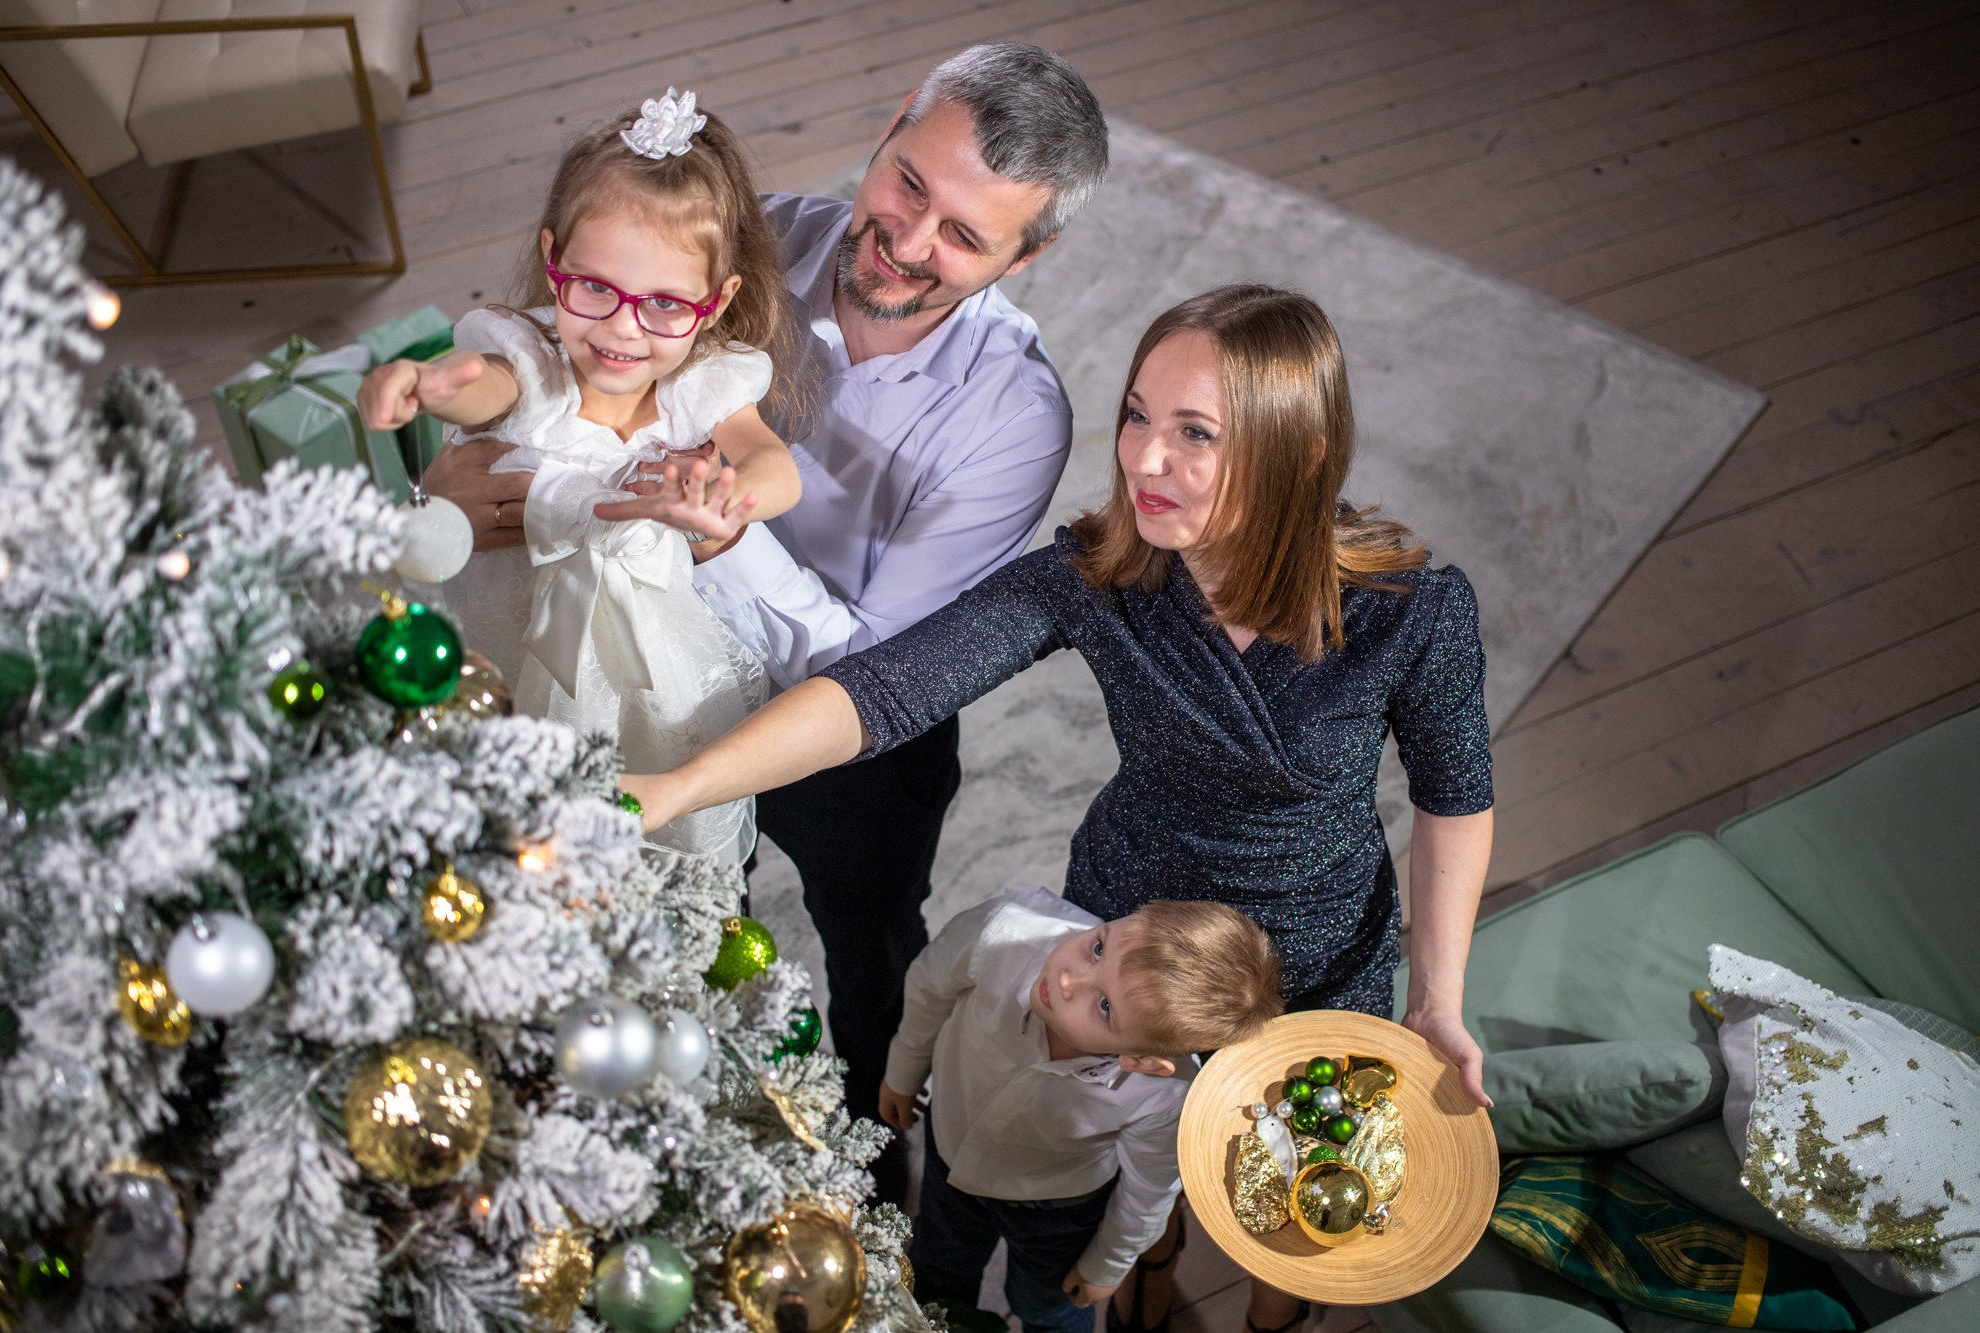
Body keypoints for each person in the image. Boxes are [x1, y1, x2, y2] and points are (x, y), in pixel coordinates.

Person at [619, 284, 1498, 1333]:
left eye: (1193, 434)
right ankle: (1150, 1293)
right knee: (1129, 1164)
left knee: (1297, 1216)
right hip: (1123, 937)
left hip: (1318, 961)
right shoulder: (1092, 578)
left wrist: (1435, 994)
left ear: (1298, 453)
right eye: (1134, 414)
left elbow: (1454, 798)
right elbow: (888, 690)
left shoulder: (1409, 611)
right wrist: (680, 784)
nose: (1142, 459)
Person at [419, 44, 1110, 1195]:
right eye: (906, 186)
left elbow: (873, 664)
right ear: (891, 124)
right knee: (684, 906)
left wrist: (724, 533)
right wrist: (446, 489)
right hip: (639, 665)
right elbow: (561, 350)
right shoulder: (738, 241)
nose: (903, 241)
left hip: (840, 739)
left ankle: (871, 1143)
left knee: (869, 934)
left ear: (1029, 255)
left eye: (963, 237)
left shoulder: (1015, 422)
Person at [360, 90, 804, 861]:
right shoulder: (533, 356)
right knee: (503, 807)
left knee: (664, 819)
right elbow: (484, 382)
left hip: (656, 659)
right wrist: (431, 382)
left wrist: (730, 498)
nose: (623, 328)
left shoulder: (703, 383)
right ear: (552, 260)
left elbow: (775, 465)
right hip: (515, 634)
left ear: (717, 299)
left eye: (665, 303)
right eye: (594, 287)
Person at [880, 887, 1282, 1333]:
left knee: (1048, 1308)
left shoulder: (1165, 1095)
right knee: (937, 1274)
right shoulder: (1004, 928)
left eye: (1105, 1006)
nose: (1069, 979)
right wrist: (903, 1071)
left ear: (1142, 1061)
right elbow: (927, 987)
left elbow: (1148, 1189)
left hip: (1055, 1209)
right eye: (1097, 947)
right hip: (948, 1150)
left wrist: (1106, 1266)